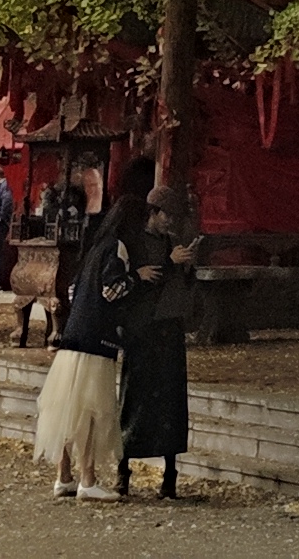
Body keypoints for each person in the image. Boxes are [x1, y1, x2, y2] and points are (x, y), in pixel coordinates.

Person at [31, 182, 127, 500]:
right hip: (97, 340)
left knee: (67, 406)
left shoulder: (92, 249)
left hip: (73, 335)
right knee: (92, 410)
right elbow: (110, 291)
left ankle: (64, 475)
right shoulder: (117, 248)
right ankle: (88, 478)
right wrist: (135, 279)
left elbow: (74, 290)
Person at [112, 182, 202, 499]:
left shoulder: (173, 243)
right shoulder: (134, 244)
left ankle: (170, 474)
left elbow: (182, 284)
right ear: (154, 213)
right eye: (167, 216)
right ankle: (123, 471)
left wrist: (187, 267)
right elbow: (139, 283)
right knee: (135, 399)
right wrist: (170, 263)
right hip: (142, 330)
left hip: (170, 328)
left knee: (171, 403)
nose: (170, 223)